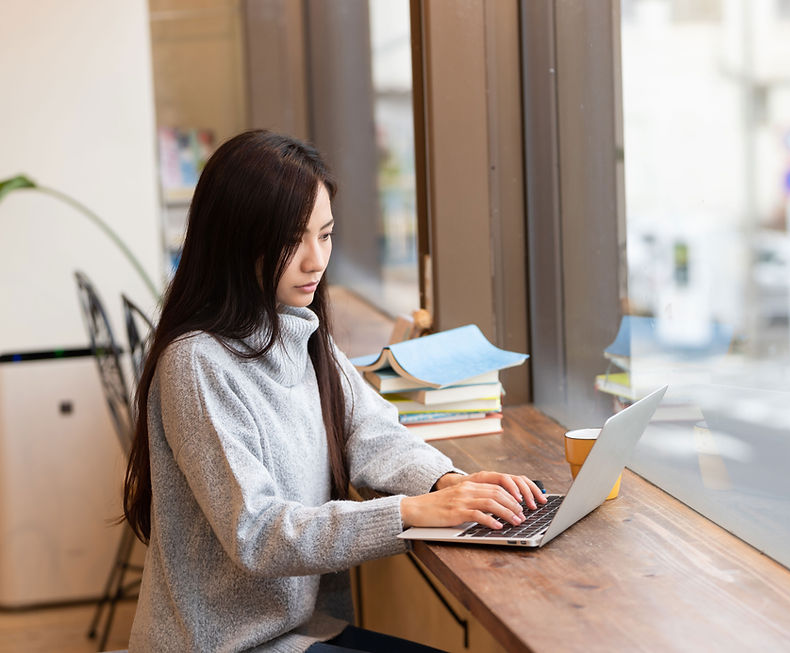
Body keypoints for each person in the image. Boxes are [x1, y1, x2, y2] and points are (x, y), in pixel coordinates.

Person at [122, 130, 546, 652]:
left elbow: (372, 432)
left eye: (325, 234)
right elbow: (256, 533)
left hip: (294, 629)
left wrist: (447, 482)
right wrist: (409, 513)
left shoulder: (298, 328)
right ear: (234, 241)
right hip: (228, 644)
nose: (314, 260)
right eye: (289, 241)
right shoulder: (197, 363)